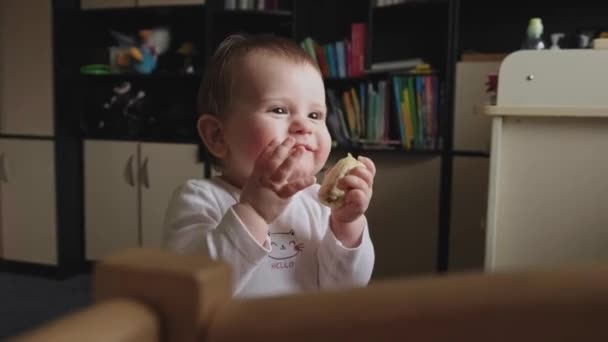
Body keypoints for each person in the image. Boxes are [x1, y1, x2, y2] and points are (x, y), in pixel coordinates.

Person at [162, 33, 375, 298]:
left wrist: (347, 225)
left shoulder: (317, 205)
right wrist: (254, 212)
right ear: (218, 135)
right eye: (279, 110)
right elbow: (188, 290)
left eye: (315, 115)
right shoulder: (199, 199)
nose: (304, 126)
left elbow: (347, 287)